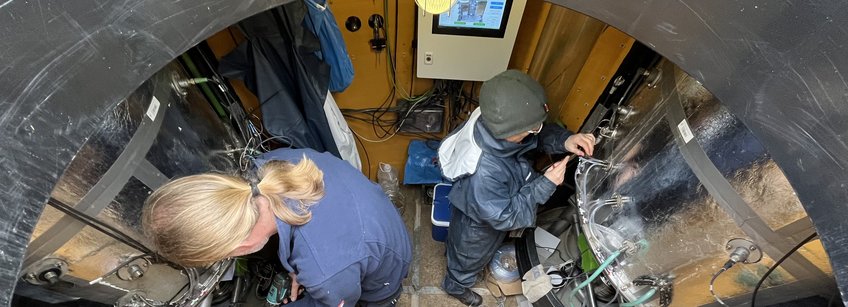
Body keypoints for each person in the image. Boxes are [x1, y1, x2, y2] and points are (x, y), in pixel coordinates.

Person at [142, 148, 412, 307]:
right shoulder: (268, 167)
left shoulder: (325, 272)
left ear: (240, 247)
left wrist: (312, 275)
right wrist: (299, 272)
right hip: (370, 225)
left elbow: (339, 291)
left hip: (379, 282)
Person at [437, 70, 596, 305]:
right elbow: (505, 216)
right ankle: (456, 284)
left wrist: (565, 140)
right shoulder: (483, 171)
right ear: (508, 133)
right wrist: (546, 184)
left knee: (463, 245)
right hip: (479, 223)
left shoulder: (497, 119)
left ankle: (456, 256)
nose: (535, 132)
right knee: (468, 255)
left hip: (485, 203)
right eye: (531, 130)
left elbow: (536, 135)